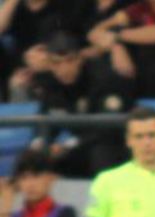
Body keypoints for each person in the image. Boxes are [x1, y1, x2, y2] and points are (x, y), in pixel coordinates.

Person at [31, 31, 133, 179]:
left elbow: (107, 128)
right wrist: (41, 143)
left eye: (69, 60)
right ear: (49, 64)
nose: (64, 68)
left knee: (101, 152)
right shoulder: (51, 85)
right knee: (35, 157)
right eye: (56, 63)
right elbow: (44, 120)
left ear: (79, 59)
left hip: (113, 146)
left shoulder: (103, 79)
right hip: (77, 148)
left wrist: (70, 144)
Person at [88, 0, 155, 99]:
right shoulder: (140, 7)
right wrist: (116, 47)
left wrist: (116, 37)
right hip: (139, 67)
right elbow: (95, 32)